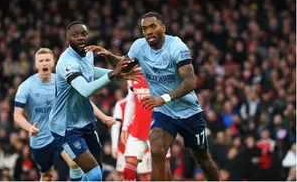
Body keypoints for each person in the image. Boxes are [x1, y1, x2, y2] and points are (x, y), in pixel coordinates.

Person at [85, 12, 220, 181]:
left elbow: (190, 82)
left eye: (152, 26)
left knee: (203, 160)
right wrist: (108, 55)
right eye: (144, 28)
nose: (148, 31)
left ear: (163, 28)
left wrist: (164, 98)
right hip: (164, 111)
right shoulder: (139, 47)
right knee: (156, 151)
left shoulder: (177, 46)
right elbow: (125, 68)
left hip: (188, 111)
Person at [49, 21, 141, 181]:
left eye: (84, 34)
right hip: (66, 127)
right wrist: (113, 75)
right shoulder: (66, 63)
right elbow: (85, 90)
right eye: (75, 35)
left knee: (95, 174)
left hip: (85, 121)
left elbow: (91, 71)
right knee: (95, 174)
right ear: (67, 38)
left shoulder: (88, 53)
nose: (80, 38)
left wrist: (117, 73)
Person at [14, 48, 116, 181]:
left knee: (74, 164)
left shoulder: (63, 79)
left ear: (53, 62)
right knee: (46, 175)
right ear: (36, 64)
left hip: (61, 130)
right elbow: (17, 115)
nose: (44, 63)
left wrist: (103, 117)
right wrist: (29, 128)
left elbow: (81, 101)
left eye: (47, 60)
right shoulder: (26, 86)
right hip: (40, 137)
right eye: (41, 61)